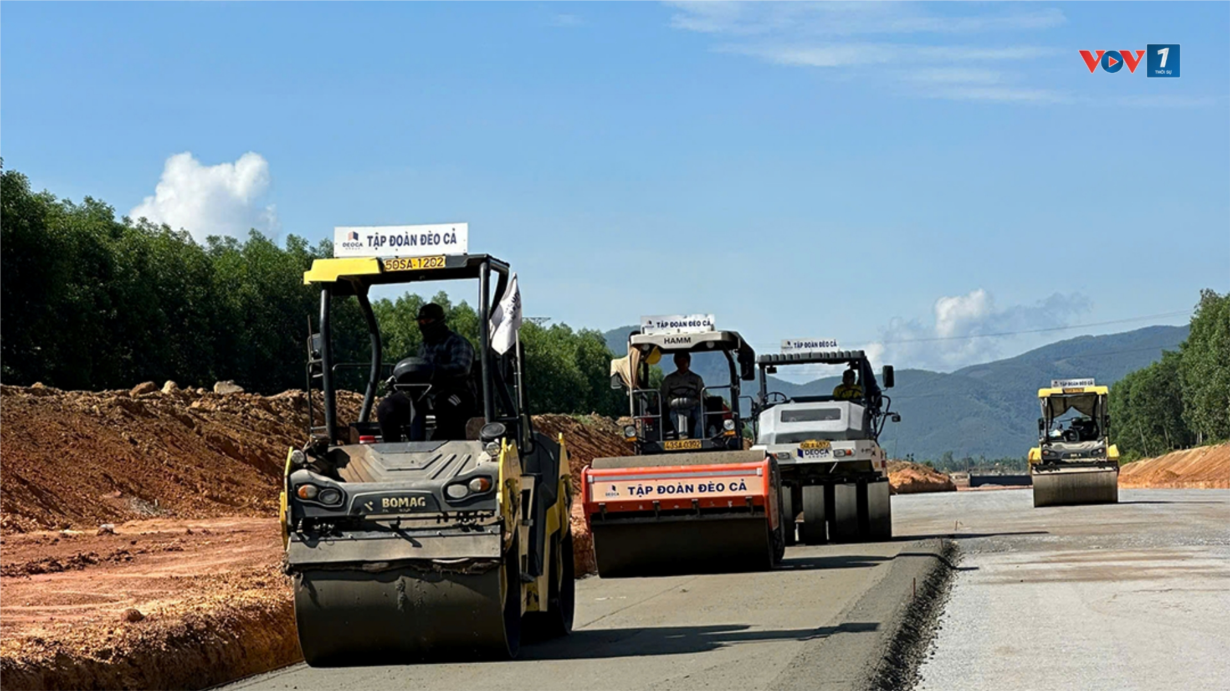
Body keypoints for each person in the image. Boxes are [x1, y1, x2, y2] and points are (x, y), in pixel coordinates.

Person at [377, 303, 476, 442]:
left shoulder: (458, 343)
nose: (423, 325)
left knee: (446, 406)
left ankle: (442, 444)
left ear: (440, 321)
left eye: (428, 321)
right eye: (421, 322)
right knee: (387, 407)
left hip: (455, 392)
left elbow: (462, 369)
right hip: (421, 393)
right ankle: (391, 448)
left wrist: (433, 371)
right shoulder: (424, 346)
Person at [661, 352, 705, 438]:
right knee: (673, 416)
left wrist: (698, 399)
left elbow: (702, 394)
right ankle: (682, 437)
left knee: (702, 416)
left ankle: (698, 439)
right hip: (675, 407)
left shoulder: (696, 378)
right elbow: (663, 396)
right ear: (676, 363)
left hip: (693, 406)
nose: (681, 365)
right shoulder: (669, 379)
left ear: (688, 362)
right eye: (679, 362)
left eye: (683, 362)